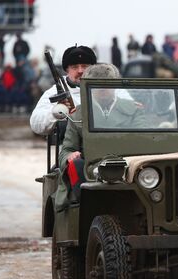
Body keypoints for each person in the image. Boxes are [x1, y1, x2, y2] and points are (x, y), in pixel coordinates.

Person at [55, 63, 144, 211]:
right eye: (96, 85)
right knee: (74, 165)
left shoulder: (134, 109)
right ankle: (85, 208)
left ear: (115, 86)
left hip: (127, 168)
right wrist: (70, 155)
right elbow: (66, 151)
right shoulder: (78, 114)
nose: (102, 89)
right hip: (90, 171)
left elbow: (142, 141)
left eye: (107, 85)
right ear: (87, 88)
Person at [30, 45, 97, 135]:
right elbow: (35, 124)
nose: (80, 71)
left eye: (84, 66)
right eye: (75, 67)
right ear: (67, 70)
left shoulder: (103, 89)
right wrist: (56, 112)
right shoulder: (54, 92)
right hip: (69, 147)